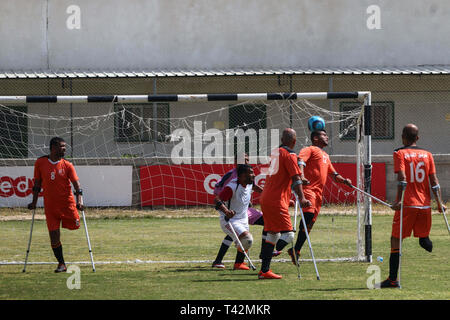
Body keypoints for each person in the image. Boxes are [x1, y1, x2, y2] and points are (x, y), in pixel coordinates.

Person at [378, 124, 445, 288]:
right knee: (423, 240)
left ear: (403, 137)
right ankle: (424, 239)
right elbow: (434, 182)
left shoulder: (399, 153)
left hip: (408, 205)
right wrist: (439, 202)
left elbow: (402, 178)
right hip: (424, 206)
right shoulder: (428, 155)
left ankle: (393, 280)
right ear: (418, 138)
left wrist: (399, 200)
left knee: (396, 239)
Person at [275, 129, 352, 264]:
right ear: (315, 138)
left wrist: (344, 180)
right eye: (324, 135)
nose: (327, 137)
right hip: (308, 189)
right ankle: (284, 238)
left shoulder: (326, 156)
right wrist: (302, 175)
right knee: (308, 215)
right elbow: (300, 161)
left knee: (310, 223)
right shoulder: (309, 149)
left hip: (319, 194)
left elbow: (334, 175)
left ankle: (295, 250)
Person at [258, 128, 311, 279]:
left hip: (266, 198)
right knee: (288, 235)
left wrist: (289, 197)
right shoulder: (290, 154)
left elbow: (280, 178)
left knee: (273, 233)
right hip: (276, 200)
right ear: (294, 142)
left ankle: (265, 270)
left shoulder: (275, 153)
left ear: (282, 140)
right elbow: (295, 178)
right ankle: (272, 253)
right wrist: (301, 197)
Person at [28, 137, 84, 273]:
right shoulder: (40, 162)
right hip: (51, 207)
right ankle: (61, 264)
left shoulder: (67, 165)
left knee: (76, 225)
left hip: (67, 205)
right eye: (62, 147)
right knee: (53, 236)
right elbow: (37, 184)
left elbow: (77, 185)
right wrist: (34, 202)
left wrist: (80, 201)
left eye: (65, 147)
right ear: (53, 147)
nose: (64, 149)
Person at [211, 154, 267, 269]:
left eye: (247, 159)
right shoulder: (232, 182)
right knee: (246, 239)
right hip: (231, 217)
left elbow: (255, 188)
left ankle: (238, 263)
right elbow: (217, 198)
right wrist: (226, 210)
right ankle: (264, 254)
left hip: (243, 215)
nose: (253, 174)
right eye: (250, 173)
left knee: (245, 237)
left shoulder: (249, 181)